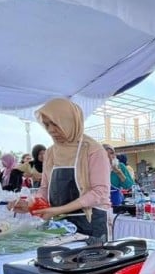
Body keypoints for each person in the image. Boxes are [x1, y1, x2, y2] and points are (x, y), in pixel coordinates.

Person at [10, 98, 111, 243]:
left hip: (91, 224)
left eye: (55, 124)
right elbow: (45, 189)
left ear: (69, 121)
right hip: (59, 225)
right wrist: (30, 204)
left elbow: (100, 192)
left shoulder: (93, 150)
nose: (50, 130)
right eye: (47, 124)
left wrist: (59, 210)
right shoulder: (51, 152)